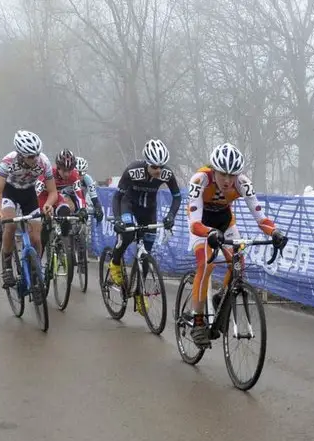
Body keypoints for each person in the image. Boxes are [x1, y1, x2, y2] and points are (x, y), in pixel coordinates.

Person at [185, 143, 287, 346]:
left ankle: (221, 297)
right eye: (223, 174)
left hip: (225, 222)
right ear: (214, 170)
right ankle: (197, 321)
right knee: (206, 264)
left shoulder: (243, 183)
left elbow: (261, 218)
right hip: (201, 225)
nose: (227, 180)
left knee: (239, 262)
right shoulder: (199, 180)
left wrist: (274, 232)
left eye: (232, 175)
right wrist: (210, 233)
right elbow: (195, 223)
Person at [107, 139, 181, 287]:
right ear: (147, 163)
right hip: (129, 205)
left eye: (161, 166)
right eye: (154, 167)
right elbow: (117, 196)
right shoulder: (133, 170)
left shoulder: (166, 174)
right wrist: (117, 219)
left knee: (146, 253)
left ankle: (140, 293)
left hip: (149, 211)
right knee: (127, 234)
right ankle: (115, 264)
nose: (158, 170)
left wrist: (171, 215)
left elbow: (177, 196)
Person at [0, 130, 57, 287]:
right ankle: (7, 267)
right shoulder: (7, 162)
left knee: (36, 238)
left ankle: (35, 268)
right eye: (30, 156)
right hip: (10, 192)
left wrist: (48, 203)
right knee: (11, 225)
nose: (35, 159)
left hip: (29, 194)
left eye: (37, 154)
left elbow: (53, 191)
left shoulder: (44, 162)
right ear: (20, 154)